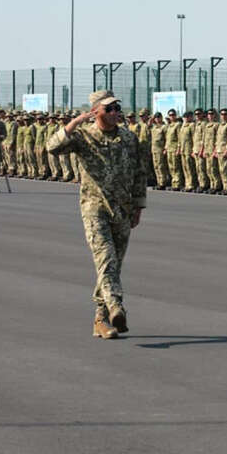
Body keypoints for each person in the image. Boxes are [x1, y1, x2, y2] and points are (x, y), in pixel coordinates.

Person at [46, 90, 147, 339]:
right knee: (106, 259)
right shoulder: (83, 136)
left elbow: (139, 172)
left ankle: (101, 320)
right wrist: (75, 122)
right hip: (94, 208)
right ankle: (115, 306)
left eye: (117, 108)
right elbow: (52, 147)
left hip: (122, 209)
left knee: (113, 266)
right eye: (109, 109)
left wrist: (138, 206)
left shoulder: (128, 137)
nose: (115, 113)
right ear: (95, 112)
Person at [215, 108, 227, 195]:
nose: (223, 116)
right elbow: (218, 139)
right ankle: (224, 186)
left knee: (225, 169)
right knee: (221, 169)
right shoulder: (220, 125)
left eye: (225, 114)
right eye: (222, 114)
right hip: (219, 149)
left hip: (225, 150)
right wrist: (216, 149)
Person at [178, 111, 197, 193]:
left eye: (187, 117)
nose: (185, 118)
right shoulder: (183, 125)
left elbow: (194, 138)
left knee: (190, 167)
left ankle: (192, 184)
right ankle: (187, 184)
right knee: (185, 167)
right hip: (183, 149)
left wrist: (193, 149)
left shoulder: (192, 125)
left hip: (189, 149)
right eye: (185, 117)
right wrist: (179, 148)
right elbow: (180, 138)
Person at [203, 109, 221, 194]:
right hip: (207, 150)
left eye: (212, 114)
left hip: (213, 149)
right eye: (209, 114)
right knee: (208, 169)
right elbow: (204, 139)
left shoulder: (217, 125)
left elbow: (218, 139)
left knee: (214, 169)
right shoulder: (207, 125)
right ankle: (212, 185)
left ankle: (217, 186)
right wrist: (203, 149)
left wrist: (215, 150)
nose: (210, 116)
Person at [150, 112, 169, 190]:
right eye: (156, 118)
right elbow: (148, 125)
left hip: (160, 149)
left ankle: (162, 182)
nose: (157, 119)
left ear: (161, 118)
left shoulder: (164, 127)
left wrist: (165, 148)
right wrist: (151, 119)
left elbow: (167, 138)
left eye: (158, 117)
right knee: (156, 166)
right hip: (154, 149)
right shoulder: (154, 127)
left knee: (161, 166)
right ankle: (158, 181)